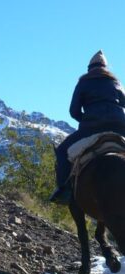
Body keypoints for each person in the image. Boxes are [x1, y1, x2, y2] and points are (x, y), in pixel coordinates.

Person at [50, 50, 125, 203]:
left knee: (62, 151)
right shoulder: (116, 82)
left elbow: (74, 110)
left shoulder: (83, 82)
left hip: (92, 127)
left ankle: (65, 192)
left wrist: (85, 120)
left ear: (89, 68)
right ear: (106, 68)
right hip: (120, 127)